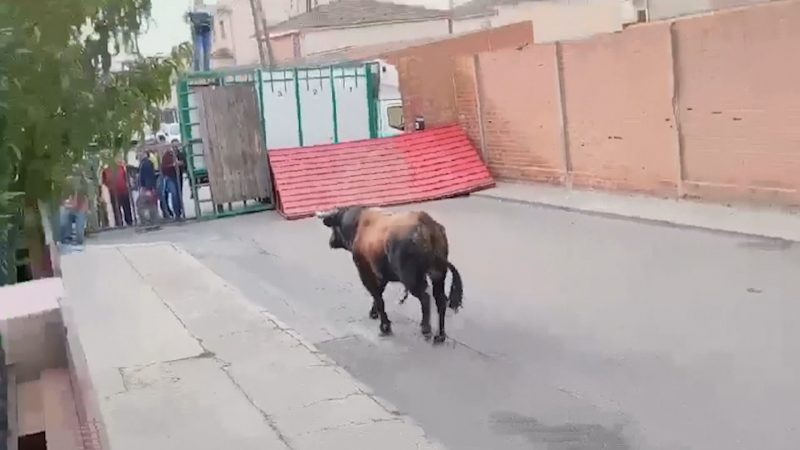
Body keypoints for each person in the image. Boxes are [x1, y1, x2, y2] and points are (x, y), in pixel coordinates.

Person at [59, 169, 90, 249]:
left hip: (80, 209)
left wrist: (64, 204)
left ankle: (75, 233)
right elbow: (63, 200)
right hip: (71, 210)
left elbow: (75, 204)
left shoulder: (82, 188)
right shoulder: (66, 187)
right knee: (63, 214)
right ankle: (66, 236)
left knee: (80, 239)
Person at [101, 160, 133, 227]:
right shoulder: (120, 168)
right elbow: (126, 178)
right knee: (125, 207)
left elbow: (104, 182)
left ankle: (119, 222)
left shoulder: (106, 170)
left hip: (115, 191)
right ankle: (128, 221)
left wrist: (110, 186)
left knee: (117, 208)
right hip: (122, 190)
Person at [161, 146, 184, 220]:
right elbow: (164, 167)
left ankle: (178, 212)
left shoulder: (178, 154)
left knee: (177, 194)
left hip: (177, 176)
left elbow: (184, 163)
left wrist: (180, 164)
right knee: (174, 194)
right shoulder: (167, 156)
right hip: (170, 177)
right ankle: (175, 213)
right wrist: (173, 165)